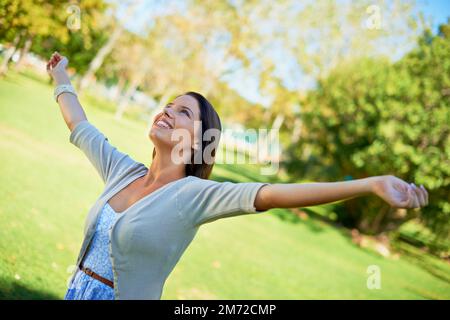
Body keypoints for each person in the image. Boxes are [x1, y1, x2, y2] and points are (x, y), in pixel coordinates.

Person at [46, 52, 428, 300]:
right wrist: (61, 76)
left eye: (183, 113)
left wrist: (370, 184)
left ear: (199, 140)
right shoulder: (122, 170)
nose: (167, 111)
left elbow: (274, 194)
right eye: (168, 106)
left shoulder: (193, 196)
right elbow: (79, 124)